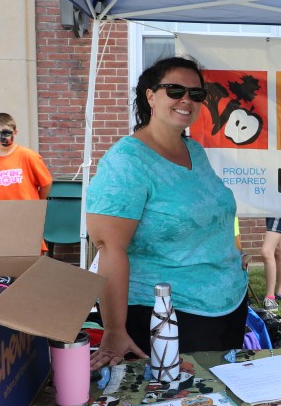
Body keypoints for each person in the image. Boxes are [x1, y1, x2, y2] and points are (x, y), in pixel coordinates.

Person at [86, 56, 247, 369]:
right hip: (169, 317)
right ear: (150, 96)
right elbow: (109, 248)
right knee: (185, 404)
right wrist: (114, 330)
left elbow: (207, 213)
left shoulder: (194, 151)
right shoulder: (127, 161)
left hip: (228, 305)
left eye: (196, 94)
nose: (186, 99)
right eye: (175, 90)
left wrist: (225, 252)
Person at [0, 112, 53, 206]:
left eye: (7, 134)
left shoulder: (29, 156)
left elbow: (46, 183)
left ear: (15, 133)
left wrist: (36, 204)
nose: (3, 139)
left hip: (26, 215)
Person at [261, 218, 281, 311]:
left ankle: (270, 298)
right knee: (279, 249)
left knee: (266, 252)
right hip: (274, 208)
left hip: (279, 210)